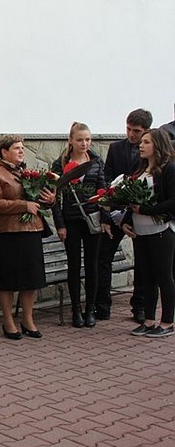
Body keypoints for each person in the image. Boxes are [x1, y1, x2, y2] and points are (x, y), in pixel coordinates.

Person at [0, 135, 56, 340]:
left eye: (23, 148)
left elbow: (39, 201)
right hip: (8, 232)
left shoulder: (27, 172)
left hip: (32, 230)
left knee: (31, 279)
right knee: (7, 279)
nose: (21, 151)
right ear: (4, 152)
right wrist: (23, 205)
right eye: (17, 148)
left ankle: (28, 319)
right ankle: (8, 322)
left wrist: (51, 200)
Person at [96, 109, 152, 323]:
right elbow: (107, 176)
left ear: (146, 130)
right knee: (103, 258)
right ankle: (102, 306)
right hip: (116, 213)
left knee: (143, 262)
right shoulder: (116, 148)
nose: (131, 134)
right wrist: (110, 208)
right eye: (128, 129)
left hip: (138, 213)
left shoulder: (149, 151)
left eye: (136, 131)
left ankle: (139, 306)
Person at [51, 122, 108, 328]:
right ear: (71, 141)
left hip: (92, 219)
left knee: (92, 265)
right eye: (80, 140)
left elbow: (103, 190)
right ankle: (75, 309)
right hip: (71, 219)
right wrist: (60, 224)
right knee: (74, 265)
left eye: (87, 139)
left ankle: (90, 308)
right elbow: (54, 198)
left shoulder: (96, 161)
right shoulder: (60, 164)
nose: (84, 143)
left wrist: (104, 218)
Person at [124, 129, 175, 338]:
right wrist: (127, 221)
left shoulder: (169, 169)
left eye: (146, 142)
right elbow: (131, 200)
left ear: (158, 145)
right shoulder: (140, 169)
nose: (141, 145)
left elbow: (172, 201)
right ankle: (149, 319)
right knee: (146, 278)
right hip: (141, 231)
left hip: (161, 231)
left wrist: (145, 210)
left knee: (164, 276)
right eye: (141, 142)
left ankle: (167, 322)